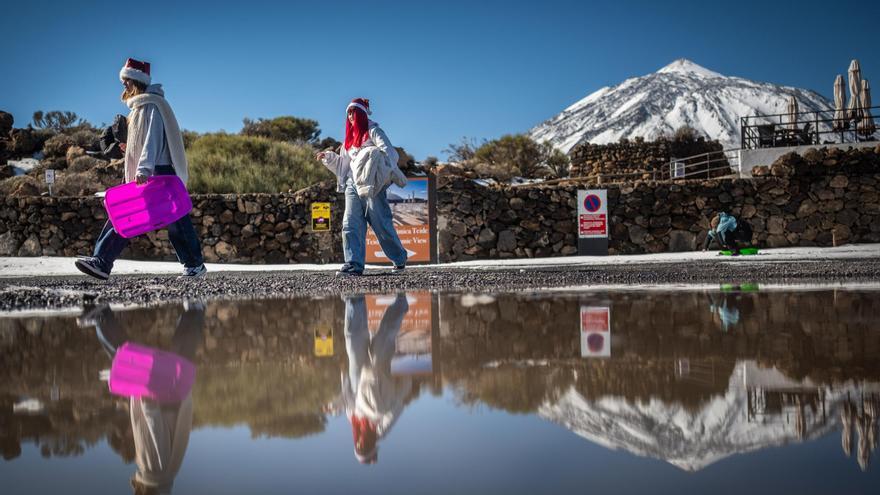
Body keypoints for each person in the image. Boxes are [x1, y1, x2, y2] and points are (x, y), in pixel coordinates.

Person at [75, 58, 206, 280]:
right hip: (152, 170)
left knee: (161, 218)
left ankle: (193, 264)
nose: (124, 85)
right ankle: (102, 262)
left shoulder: (152, 105)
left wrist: (143, 168)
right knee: (132, 214)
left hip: (158, 171)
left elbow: (152, 138)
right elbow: (143, 140)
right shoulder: (139, 107)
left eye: (126, 81)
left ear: (136, 81)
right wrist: (128, 149)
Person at [80, 301, 205, 494]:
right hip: (160, 401)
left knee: (179, 359)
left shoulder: (169, 473)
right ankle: (103, 317)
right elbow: (155, 434)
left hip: (175, 399)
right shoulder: (154, 472)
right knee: (129, 362)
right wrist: (148, 403)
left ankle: (194, 312)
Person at [316, 98, 408, 276]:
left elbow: (390, 154)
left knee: (381, 223)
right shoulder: (349, 141)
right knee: (350, 223)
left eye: (353, 112)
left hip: (372, 185)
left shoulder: (374, 131)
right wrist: (328, 157)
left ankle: (399, 258)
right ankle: (353, 264)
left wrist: (376, 170)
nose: (350, 116)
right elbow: (344, 165)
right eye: (348, 113)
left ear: (361, 114)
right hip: (352, 184)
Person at [337, 293, 412, 464]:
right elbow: (398, 406)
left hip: (357, 383)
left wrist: (343, 380)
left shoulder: (354, 421)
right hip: (378, 379)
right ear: (371, 445)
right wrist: (404, 382)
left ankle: (355, 301)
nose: (360, 443)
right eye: (364, 447)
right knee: (383, 338)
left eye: (358, 447)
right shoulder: (381, 430)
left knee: (352, 337)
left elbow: (348, 401)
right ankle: (400, 303)